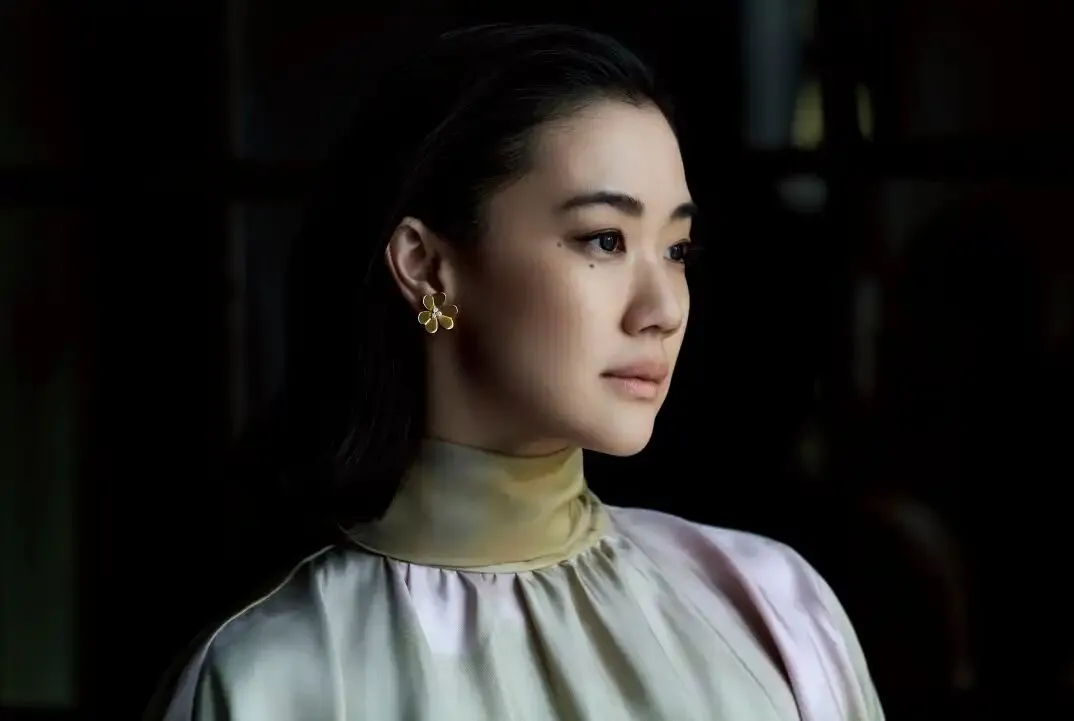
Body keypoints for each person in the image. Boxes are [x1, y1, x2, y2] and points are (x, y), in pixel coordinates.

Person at [147, 23, 883, 721]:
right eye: (604, 239)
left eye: (676, 250)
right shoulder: (272, 677)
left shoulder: (771, 608)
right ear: (425, 266)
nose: (662, 309)